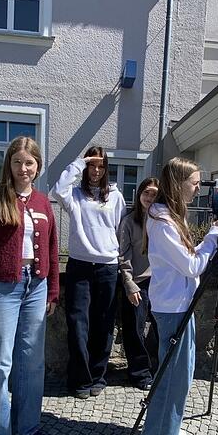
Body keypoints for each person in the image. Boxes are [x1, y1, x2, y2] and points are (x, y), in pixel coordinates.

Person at [0, 136, 59, 435]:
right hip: (2, 288)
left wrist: (53, 289)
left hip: (37, 286)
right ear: (9, 163)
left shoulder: (44, 202)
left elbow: (53, 248)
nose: (23, 168)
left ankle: (27, 428)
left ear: (38, 166)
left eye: (29, 163)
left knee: (32, 362)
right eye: (17, 162)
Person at [142, 157, 218, 435]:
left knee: (177, 376)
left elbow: (187, 258)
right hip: (174, 308)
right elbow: (192, 266)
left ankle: (165, 430)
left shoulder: (170, 216)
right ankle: (161, 433)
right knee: (173, 379)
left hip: (179, 305)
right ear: (178, 184)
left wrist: (209, 240)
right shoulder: (164, 221)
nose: (198, 188)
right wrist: (213, 236)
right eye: (194, 183)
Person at [51, 146, 127, 399]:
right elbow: (56, 190)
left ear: (106, 168)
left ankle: (98, 375)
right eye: (92, 165)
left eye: (100, 165)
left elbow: (118, 230)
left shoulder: (115, 196)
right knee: (77, 323)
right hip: (80, 266)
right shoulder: (74, 195)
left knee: (103, 324)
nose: (95, 170)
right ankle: (80, 379)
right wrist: (79, 162)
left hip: (107, 266)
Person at [117, 177, 160, 391]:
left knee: (162, 326)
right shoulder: (128, 222)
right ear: (139, 194)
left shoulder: (162, 220)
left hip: (161, 282)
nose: (149, 197)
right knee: (134, 328)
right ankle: (139, 373)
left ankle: (154, 365)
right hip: (138, 282)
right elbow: (123, 256)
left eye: (154, 194)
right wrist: (129, 284)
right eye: (146, 193)